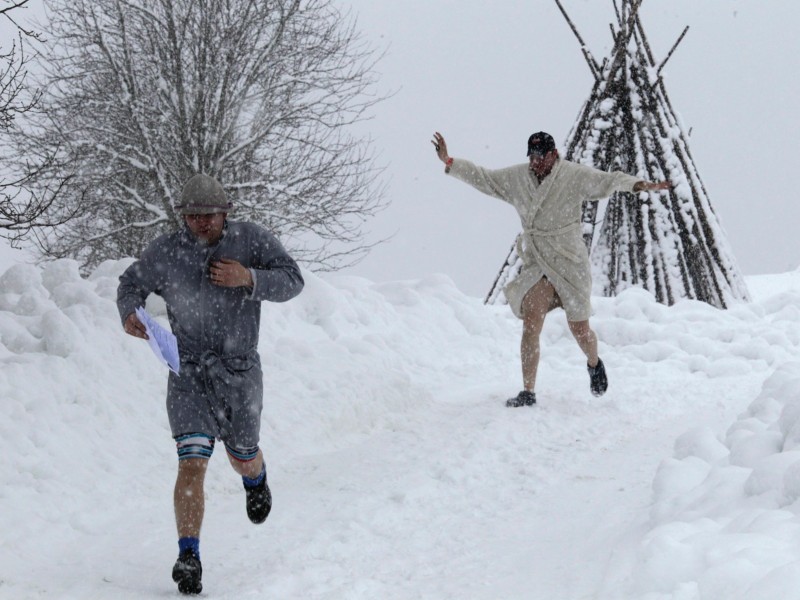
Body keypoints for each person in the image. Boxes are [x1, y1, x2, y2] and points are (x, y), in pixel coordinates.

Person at [117, 173, 304, 595]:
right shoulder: (166, 251)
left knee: (241, 455)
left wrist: (249, 278)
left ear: (226, 213)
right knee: (191, 463)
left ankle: (254, 477)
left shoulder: (252, 240)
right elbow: (130, 283)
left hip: (239, 374)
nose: (201, 224)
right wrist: (129, 311)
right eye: (192, 216)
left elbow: (293, 280)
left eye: (209, 216)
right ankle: (189, 556)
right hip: (188, 374)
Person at [431, 131, 670, 407]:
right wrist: (449, 160)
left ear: (553, 154)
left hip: (570, 263)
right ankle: (528, 391)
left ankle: (594, 363)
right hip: (539, 262)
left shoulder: (572, 175)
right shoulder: (519, 178)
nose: (534, 162)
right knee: (531, 323)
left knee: (579, 329)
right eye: (531, 157)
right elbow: (486, 178)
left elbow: (607, 181)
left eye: (539, 157)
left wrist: (637, 184)